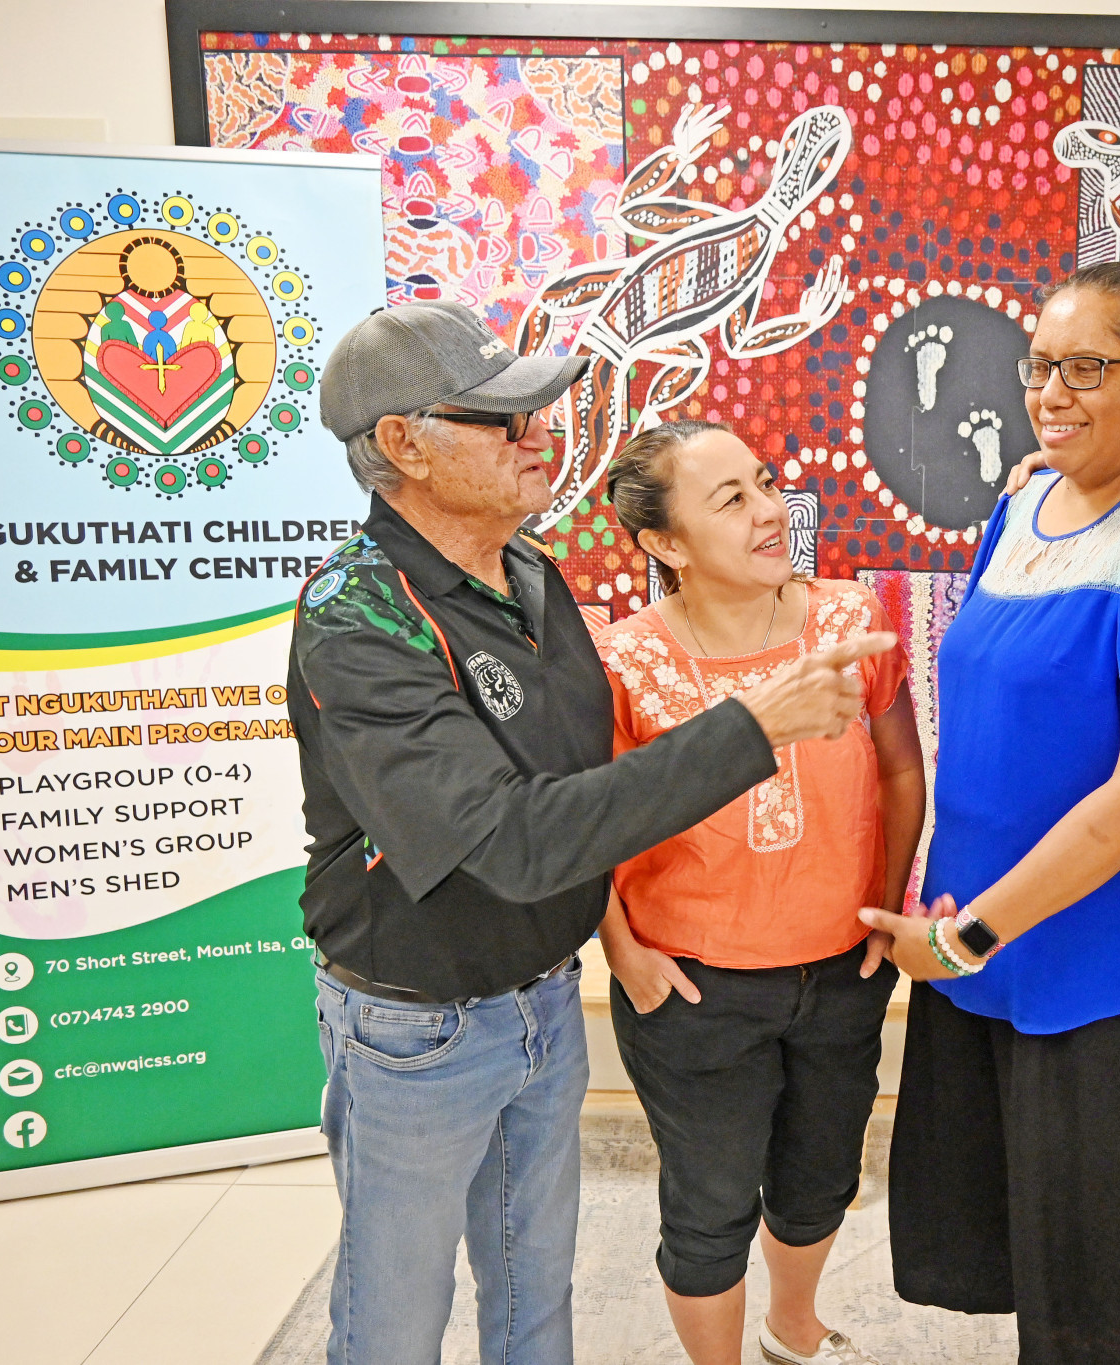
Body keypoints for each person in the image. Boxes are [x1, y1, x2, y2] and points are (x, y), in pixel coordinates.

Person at [289, 300, 894, 1365]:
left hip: (537, 1007)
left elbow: (589, 784)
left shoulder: (529, 576)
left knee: (532, 1292)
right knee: (396, 1310)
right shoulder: (358, 614)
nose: (541, 437)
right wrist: (748, 728)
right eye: (503, 420)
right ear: (402, 444)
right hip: (416, 1028)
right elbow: (513, 838)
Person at [858, 261, 1120, 1365]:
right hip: (997, 956)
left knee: (1113, 1305)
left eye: (1087, 368)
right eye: (1041, 366)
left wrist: (965, 931)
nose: (1052, 392)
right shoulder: (1025, 501)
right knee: (1038, 1276)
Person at [592, 420, 926, 1365]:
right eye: (731, 499)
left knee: (820, 1179)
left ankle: (794, 1327)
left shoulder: (849, 621)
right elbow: (588, 824)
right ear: (664, 543)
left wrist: (886, 905)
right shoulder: (624, 662)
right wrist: (626, 952)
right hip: (691, 987)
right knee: (709, 1207)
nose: (771, 511)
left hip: (841, 968)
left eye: (768, 483)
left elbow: (901, 771)